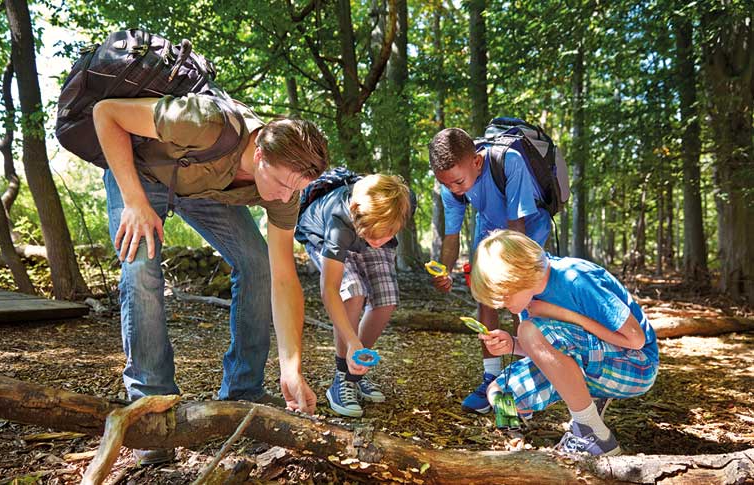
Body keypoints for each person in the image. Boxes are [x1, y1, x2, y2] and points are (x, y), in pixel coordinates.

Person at [92, 94, 329, 463]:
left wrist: (291, 369)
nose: (286, 197)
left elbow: (284, 279)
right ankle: (151, 408)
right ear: (261, 155)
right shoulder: (202, 121)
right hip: (143, 174)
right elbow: (105, 114)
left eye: (295, 191)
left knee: (257, 264)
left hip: (206, 190)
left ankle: (242, 389)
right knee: (141, 269)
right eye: (283, 186)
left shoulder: (286, 187)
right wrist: (134, 200)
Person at [470, 229, 659, 456]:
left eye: (504, 294)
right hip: (590, 360)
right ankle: (515, 431)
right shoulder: (529, 296)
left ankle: (592, 433)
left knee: (529, 330)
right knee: (499, 392)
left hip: (637, 364)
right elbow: (549, 351)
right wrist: (512, 344)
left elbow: (635, 340)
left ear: (519, 275)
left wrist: (562, 314)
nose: (501, 304)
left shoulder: (575, 278)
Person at [428, 127, 551, 414]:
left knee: (521, 299)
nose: (455, 190)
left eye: (458, 182)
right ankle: (492, 377)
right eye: (447, 184)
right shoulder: (452, 186)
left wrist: (510, 275)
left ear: (477, 162)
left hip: (526, 229)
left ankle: (524, 381)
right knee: (485, 296)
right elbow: (451, 236)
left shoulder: (509, 162)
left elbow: (517, 227)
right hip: (488, 228)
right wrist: (445, 270)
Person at [295, 172, 412, 417]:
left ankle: (356, 369)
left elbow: (380, 235)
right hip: (325, 235)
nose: (380, 241)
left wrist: (379, 235)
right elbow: (329, 290)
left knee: (387, 297)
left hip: (364, 229)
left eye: (389, 233)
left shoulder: (401, 202)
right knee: (353, 291)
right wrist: (350, 340)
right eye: (376, 235)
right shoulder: (339, 222)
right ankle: (341, 377)